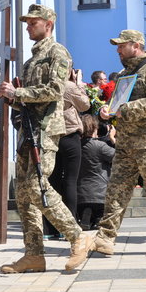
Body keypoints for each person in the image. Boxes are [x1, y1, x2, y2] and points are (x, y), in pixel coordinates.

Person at [0, 3, 93, 274]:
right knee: (25, 195)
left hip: (46, 131)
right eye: (27, 23)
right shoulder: (30, 61)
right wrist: (11, 98)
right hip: (28, 131)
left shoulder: (57, 52)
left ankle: (77, 236)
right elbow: (28, 103)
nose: (28, 26)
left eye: (33, 22)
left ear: (48, 24)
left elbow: (54, 90)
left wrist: (19, 94)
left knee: (38, 187)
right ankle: (34, 254)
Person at [93, 29, 146, 256]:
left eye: (122, 45)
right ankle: (105, 237)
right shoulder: (123, 75)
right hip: (126, 143)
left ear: (136, 45)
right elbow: (116, 104)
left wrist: (126, 110)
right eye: (117, 46)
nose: (118, 50)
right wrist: (107, 109)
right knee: (115, 190)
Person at [44, 66, 89, 240]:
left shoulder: (45, 84)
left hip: (50, 137)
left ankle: (50, 229)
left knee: (52, 181)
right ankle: (67, 227)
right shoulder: (68, 86)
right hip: (69, 135)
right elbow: (85, 104)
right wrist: (78, 84)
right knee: (70, 181)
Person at [77, 114, 115, 230]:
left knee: (86, 209)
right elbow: (118, 158)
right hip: (100, 193)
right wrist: (112, 139)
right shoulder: (100, 146)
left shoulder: (76, 145)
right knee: (100, 214)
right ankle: (97, 220)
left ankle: (86, 214)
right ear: (94, 128)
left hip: (80, 194)